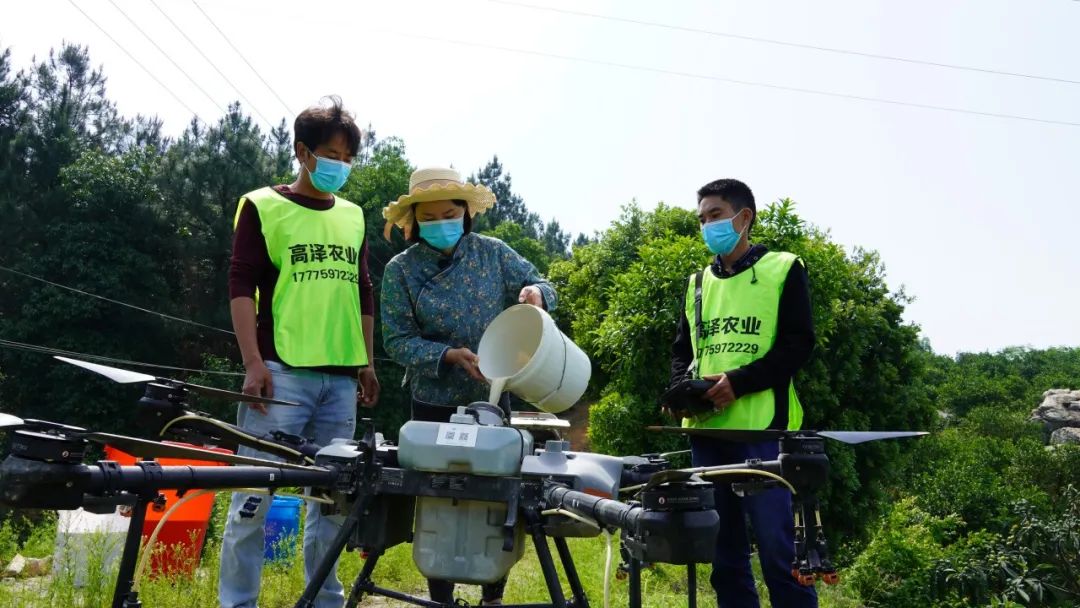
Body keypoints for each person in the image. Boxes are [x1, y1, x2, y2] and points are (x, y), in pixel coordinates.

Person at [222, 96, 380, 608]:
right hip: (279, 373)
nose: (341, 165)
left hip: (339, 382)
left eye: (349, 157)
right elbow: (241, 283)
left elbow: (362, 291)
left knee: (333, 506)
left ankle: (323, 602)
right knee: (253, 498)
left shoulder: (353, 216)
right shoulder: (263, 205)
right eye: (331, 153)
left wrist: (366, 361)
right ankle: (238, 603)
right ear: (302, 152)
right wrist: (251, 363)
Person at [380, 167, 557, 605]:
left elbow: (545, 284)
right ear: (414, 221)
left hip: (492, 400)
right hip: (434, 404)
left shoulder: (493, 254)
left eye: (449, 213)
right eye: (430, 217)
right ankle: (441, 592)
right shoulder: (401, 271)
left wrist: (535, 292)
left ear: (465, 213)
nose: (441, 223)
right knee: (438, 497)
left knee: (497, 496)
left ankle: (492, 592)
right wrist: (446, 356)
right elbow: (397, 340)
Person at [667, 178, 818, 608]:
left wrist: (739, 383)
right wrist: (681, 390)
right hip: (707, 433)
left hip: (765, 435)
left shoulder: (784, 268)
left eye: (715, 215)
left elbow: (798, 343)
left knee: (780, 554)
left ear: (744, 217)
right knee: (724, 555)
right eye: (702, 219)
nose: (707, 226)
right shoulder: (698, 282)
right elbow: (683, 351)